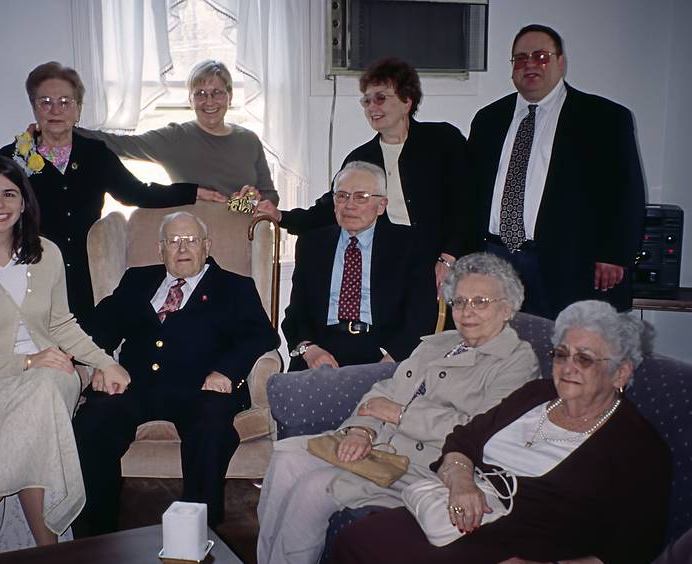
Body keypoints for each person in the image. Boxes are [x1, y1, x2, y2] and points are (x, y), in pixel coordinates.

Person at [330, 301, 670, 564]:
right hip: (455, 512)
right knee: (358, 540)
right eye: (561, 354)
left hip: (522, 545)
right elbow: (463, 438)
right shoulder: (536, 395)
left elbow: (632, 551)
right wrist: (461, 479)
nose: (568, 367)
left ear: (621, 373)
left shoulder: (637, 447)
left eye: (584, 359)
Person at [257, 252, 541, 564]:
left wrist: (402, 414)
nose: (467, 311)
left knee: (312, 491)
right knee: (284, 459)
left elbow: (481, 429)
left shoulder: (516, 361)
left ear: (507, 308)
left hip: (425, 465)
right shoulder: (439, 343)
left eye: (481, 302)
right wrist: (361, 431)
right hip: (378, 443)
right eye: (460, 301)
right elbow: (384, 389)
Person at [0, 155, 131, 564]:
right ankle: (48, 550)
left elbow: (61, 324)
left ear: (23, 202)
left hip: (53, 372)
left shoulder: (46, 254)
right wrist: (28, 360)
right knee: (40, 407)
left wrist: (105, 362)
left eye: (9, 193)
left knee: (45, 385)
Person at [73, 211, 279, 535]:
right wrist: (100, 362)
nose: (182, 248)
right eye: (173, 241)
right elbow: (99, 327)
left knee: (211, 429)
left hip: (201, 389)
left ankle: (197, 534)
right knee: (92, 423)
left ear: (206, 246)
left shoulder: (234, 287)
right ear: (161, 249)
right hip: (136, 386)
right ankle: (98, 536)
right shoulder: (136, 280)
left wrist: (226, 372)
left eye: (191, 240)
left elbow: (262, 336)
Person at [0, 61, 225, 323]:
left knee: (86, 344)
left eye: (65, 101)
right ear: (34, 108)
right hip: (33, 274)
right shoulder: (12, 159)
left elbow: (137, 193)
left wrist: (194, 192)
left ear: (78, 109)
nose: (55, 110)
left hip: (86, 277)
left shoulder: (95, 154)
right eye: (45, 102)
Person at [468, 24, 645, 319]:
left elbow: (625, 192)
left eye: (541, 56)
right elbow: (471, 192)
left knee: (564, 350)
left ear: (561, 62)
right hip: (495, 258)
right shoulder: (489, 119)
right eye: (521, 58)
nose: (530, 65)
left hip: (567, 261)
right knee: (501, 351)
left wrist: (614, 255)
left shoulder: (604, 118)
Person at [257, 57, 471, 287]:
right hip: (391, 268)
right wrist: (281, 216)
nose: (372, 108)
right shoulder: (361, 159)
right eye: (366, 101)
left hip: (448, 263)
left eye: (380, 98)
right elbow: (331, 210)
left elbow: (468, 204)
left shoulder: (443, 140)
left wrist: (448, 258)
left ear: (407, 101)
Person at [283, 161, 434, 370]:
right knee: (288, 393)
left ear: (381, 205)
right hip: (321, 348)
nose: (349, 205)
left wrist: (392, 360)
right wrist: (309, 350)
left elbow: (422, 314)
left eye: (361, 197)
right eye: (342, 196)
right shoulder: (312, 244)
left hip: (383, 349)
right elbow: (297, 312)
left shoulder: (409, 245)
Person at [79, 59, 278, 205]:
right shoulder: (175, 138)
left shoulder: (249, 140)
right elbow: (120, 144)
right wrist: (62, 130)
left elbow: (270, 196)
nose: (209, 101)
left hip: (242, 237)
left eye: (217, 93)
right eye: (200, 94)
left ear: (229, 96)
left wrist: (251, 201)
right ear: (190, 100)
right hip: (192, 242)